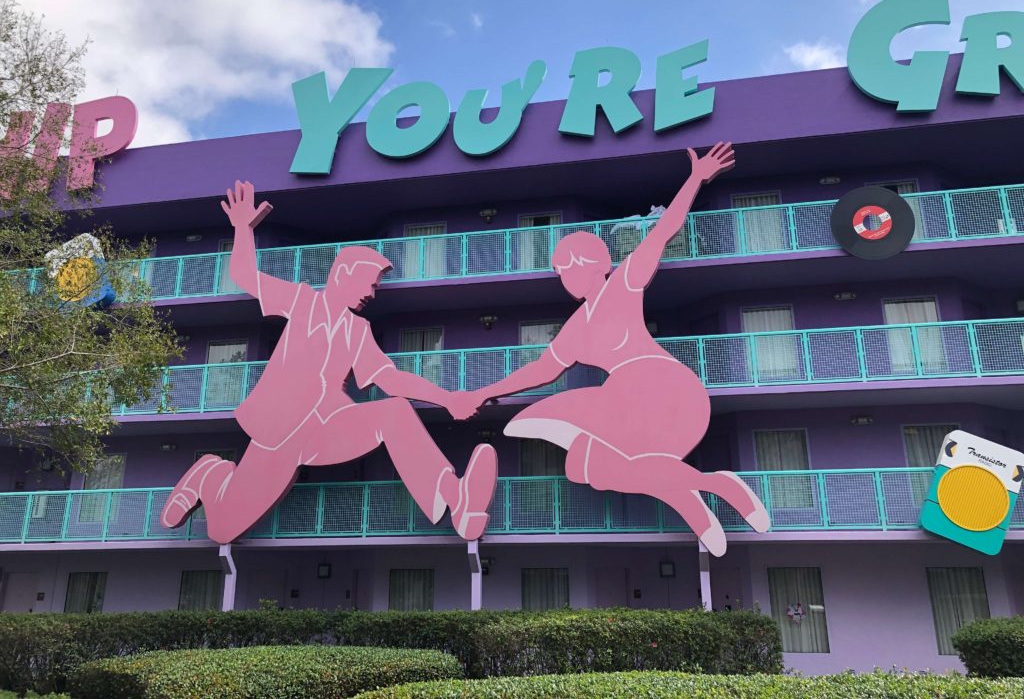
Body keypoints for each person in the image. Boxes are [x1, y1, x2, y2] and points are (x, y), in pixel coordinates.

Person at [462, 143, 768, 556]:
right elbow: (539, 370)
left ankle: (703, 494)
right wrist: (483, 392)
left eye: (572, 265)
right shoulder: (574, 328)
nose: (566, 276)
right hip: (624, 399)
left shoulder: (624, 285)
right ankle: (709, 487)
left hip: (663, 387)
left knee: (601, 461)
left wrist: (696, 178)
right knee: (590, 469)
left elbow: (663, 232)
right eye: (559, 270)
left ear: (598, 262)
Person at [160, 181, 494, 545]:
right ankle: (210, 475)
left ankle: (455, 497)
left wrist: (446, 398)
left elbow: (390, 379)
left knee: (395, 413)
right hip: (279, 434)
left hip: (327, 428)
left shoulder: (358, 329)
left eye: (377, 288)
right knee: (223, 528)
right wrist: (243, 227)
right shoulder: (301, 301)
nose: (371, 293)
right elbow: (244, 276)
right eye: (369, 283)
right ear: (343, 274)